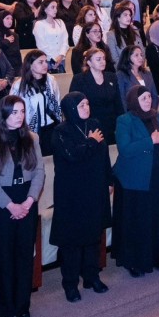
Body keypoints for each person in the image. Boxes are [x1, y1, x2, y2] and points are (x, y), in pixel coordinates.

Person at [0, 96, 44, 317]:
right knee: (5, 256)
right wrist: (11, 206)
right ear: (3, 114)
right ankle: (4, 310)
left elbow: (39, 172)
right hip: (2, 204)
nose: (19, 116)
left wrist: (29, 201)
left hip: (26, 199)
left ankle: (22, 306)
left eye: (22, 112)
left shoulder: (32, 138)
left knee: (25, 255)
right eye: (14, 112)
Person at [49, 92, 112, 303]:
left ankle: (91, 277)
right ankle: (70, 283)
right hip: (72, 194)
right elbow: (72, 155)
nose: (86, 107)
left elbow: (104, 155)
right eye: (82, 105)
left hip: (94, 188)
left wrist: (109, 179)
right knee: (73, 241)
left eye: (87, 103)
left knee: (93, 236)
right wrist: (91, 142)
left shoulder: (95, 124)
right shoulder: (60, 131)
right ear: (71, 108)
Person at [113, 85, 159, 276]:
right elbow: (125, 148)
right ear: (134, 101)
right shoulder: (125, 120)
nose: (148, 100)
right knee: (139, 222)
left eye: (149, 97)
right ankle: (136, 263)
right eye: (143, 98)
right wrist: (150, 140)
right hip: (136, 180)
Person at [10, 50, 64, 154]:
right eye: (40, 62)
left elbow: (57, 104)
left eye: (45, 61)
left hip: (51, 126)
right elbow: (12, 110)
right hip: (28, 130)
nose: (45, 65)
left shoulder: (51, 80)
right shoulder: (18, 85)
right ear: (30, 65)